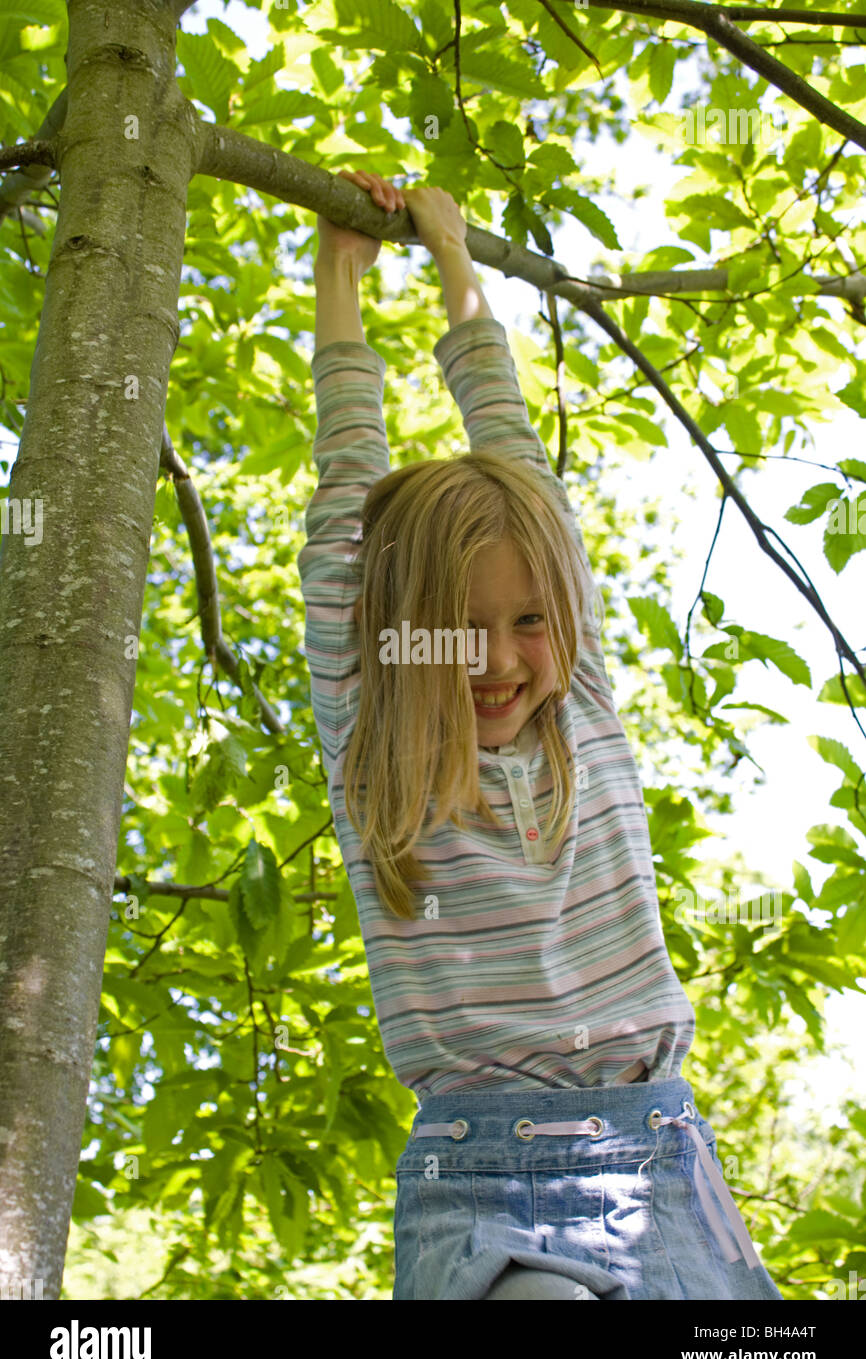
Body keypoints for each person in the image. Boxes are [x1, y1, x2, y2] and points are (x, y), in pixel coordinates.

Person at [298, 168, 783, 1301]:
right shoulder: (381, 739)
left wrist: (456, 263)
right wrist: (339, 276)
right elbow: (344, 484)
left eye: (528, 623)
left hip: (666, 1170)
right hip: (491, 1186)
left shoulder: (584, 713)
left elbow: (514, 451)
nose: (502, 660)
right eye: (459, 631)